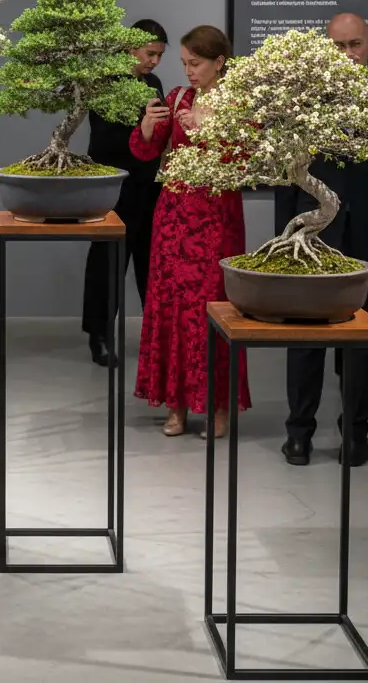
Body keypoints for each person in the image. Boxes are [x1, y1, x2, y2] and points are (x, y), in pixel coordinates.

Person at [277, 12, 368, 467]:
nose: (347, 54)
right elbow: (289, 174)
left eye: (355, 44)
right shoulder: (301, 97)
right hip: (317, 235)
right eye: (338, 45)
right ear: (326, 46)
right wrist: (288, 233)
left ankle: (354, 437)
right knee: (304, 338)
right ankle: (299, 435)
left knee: (363, 341)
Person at [129, 25, 248, 437]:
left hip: (217, 219)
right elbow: (147, 150)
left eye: (195, 63)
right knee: (172, 310)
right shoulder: (177, 97)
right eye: (184, 63)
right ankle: (176, 404)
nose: (188, 71)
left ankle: (218, 407)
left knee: (212, 311)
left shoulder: (237, 103)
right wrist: (147, 126)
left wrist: (205, 128)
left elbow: (244, 162)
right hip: (173, 218)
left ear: (219, 62)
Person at [81, 18, 167, 366]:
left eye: (160, 55)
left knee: (152, 264)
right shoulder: (104, 83)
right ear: (130, 47)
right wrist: (141, 131)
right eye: (150, 54)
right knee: (108, 264)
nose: (154, 62)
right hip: (114, 186)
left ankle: (154, 336)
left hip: (150, 185)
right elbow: (101, 142)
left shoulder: (154, 83)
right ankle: (98, 334)